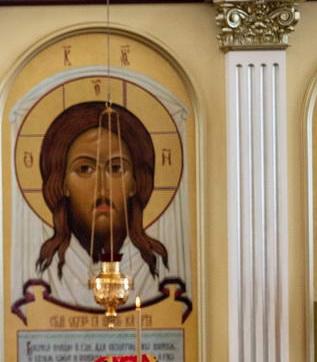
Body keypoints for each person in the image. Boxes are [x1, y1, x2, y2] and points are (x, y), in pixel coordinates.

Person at [12, 99, 190, 310]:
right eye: (85, 169)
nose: (102, 188)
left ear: (135, 183)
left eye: (116, 168)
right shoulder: (47, 267)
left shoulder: (156, 264)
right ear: (62, 184)